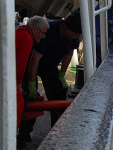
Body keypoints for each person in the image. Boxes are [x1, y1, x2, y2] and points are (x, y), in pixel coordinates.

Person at [17, 11, 82, 146]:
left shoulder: (73, 36)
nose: (76, 37)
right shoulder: (48, 31)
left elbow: (69, 53)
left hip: (50, 67)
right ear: (65, 28)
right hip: (32, 66)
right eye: (75, 34)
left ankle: (57, 130)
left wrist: (62, 74)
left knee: (59, 95)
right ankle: (24, 133)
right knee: (30, 98)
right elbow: (34, 60)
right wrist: (31, 83)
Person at [15, 16, 49, 129]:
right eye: (43, 33)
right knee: (18, 104)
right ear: (35, 29)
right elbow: (20, 66)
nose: (44, 36)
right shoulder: (27, 39)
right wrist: (19, 87)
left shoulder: (19, 32)